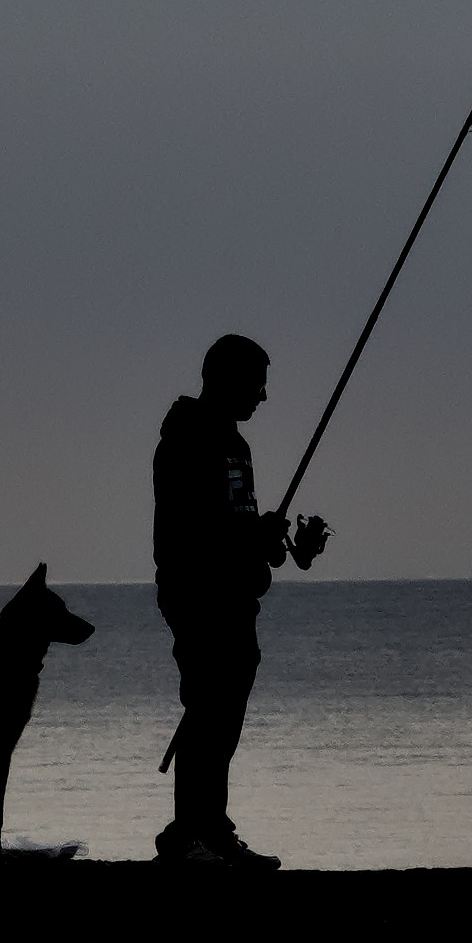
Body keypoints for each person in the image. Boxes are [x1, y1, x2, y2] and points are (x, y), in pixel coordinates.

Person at [152, 333, 327, 867]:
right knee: (207, 711)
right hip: (199, 596)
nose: (263, 398)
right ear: (225, 380)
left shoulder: (234, 445)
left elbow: (240, 528)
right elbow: (198, 530)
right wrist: (251, 538)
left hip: (234, 600)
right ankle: (188, 837)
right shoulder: (187, 440)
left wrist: (282, 542)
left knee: (223, 717)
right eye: (256, 385)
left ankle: (212, 829)